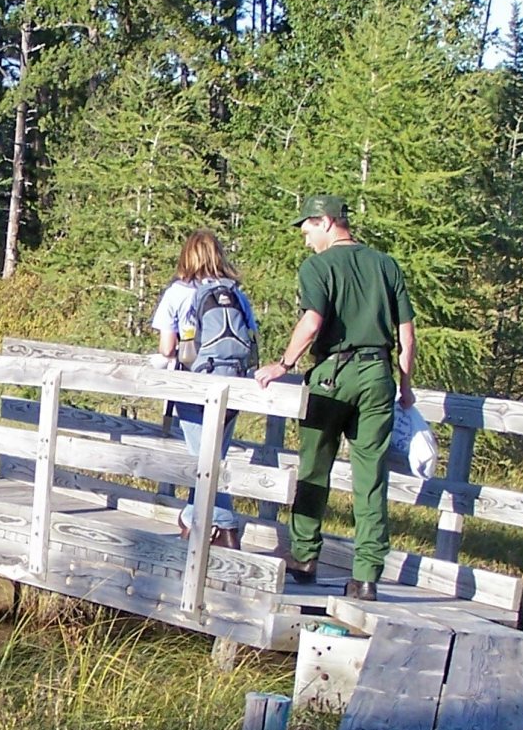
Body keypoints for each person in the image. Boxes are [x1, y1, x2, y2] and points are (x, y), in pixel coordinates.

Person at [255, 195, 415, 602]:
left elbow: (312, 322)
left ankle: (305, 556)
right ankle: (365, 577)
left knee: (314, 466)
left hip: (333, 375)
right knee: (371, 477)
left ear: (325, 221)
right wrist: (406, 387)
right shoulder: (386, 265)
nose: (305, 239)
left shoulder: (318, 267)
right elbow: (407, 335)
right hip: (378, 374)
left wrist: (283, 364)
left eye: (307, 229)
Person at [151, 230, 257, 549]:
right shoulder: (236, 293)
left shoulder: (178, 293)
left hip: (194, 385)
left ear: (186, 256)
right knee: (213, 457)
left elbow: (167, 347)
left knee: (203, 458)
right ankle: (201, 522)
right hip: (234, 383)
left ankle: (221, 525)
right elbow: (250, 337)